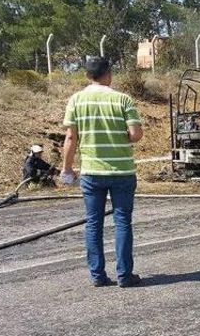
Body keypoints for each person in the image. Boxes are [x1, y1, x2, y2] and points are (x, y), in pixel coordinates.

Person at [61, 57, 144, 288]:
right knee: (122, 222)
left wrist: (67, 169)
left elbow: (70, 138)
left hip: (91, 173)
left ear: (87, 75)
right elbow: (136, 134)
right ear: (109, 74)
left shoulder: (76, 100)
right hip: (122, 171)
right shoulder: (122, 99)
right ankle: (125, 275)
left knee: (93, 223)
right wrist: (122, 136)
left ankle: (98, 276)